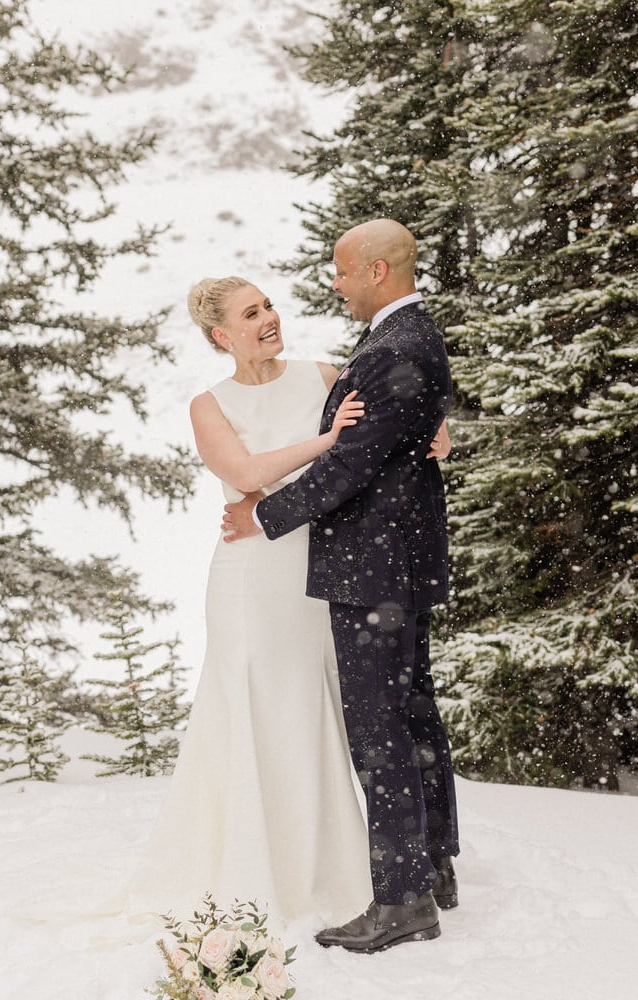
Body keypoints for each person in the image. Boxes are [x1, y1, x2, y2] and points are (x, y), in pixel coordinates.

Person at [132, 275, 449, 926]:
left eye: (269, 305)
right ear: (222, 335)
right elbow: (246, 476)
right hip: (252, 575)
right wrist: (331, 440)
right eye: (252, 314)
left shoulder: (325, 373)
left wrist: (435, 433)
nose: (269, 319)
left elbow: (396, 425)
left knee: (316, 708)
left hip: (322, 567)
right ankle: (257, 862)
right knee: (257, 711)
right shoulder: (209, 404)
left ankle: (336, 863)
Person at [222, 220, 460, 953]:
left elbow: (351, 465)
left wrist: (264, 515)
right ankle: (433, 864)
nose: (336, 283)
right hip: (402, 560)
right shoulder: (410, 338)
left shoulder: (393, 348)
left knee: (380, 729)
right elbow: (388, 444)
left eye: (343, 272)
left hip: (375, 567)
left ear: (378, 271)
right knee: (414, 714)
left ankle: (401, 901)